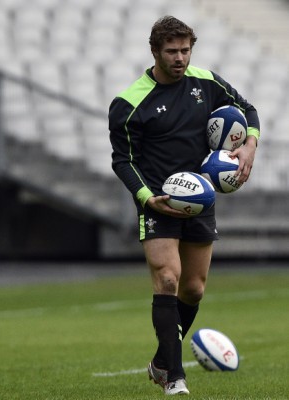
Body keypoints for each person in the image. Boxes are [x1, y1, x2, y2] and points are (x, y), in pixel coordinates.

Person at [108, 16, 259, 395]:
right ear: (155, 52)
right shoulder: (129, 103)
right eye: (172, 51)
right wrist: (147, 199)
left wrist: (249, 145)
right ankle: (175, 378)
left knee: (193, 289)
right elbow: (122, 161)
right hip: (159, 200)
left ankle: (161, 362)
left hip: (201, 197)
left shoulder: (206, 82)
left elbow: (248, 110)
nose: (180, 58)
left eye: (185, 50)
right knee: (169, 280)